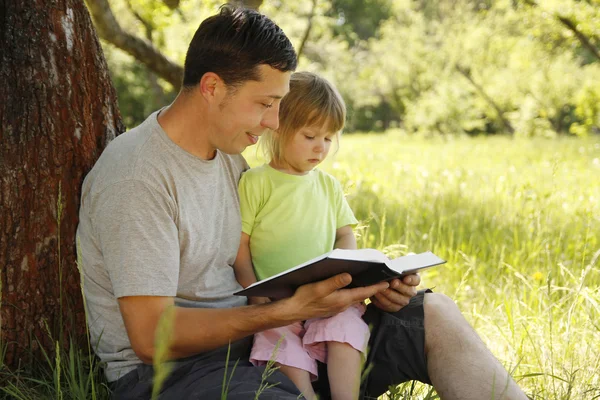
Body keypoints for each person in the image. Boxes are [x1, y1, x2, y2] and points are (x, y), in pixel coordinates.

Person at [76, 5, 529, 400]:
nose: (274, 123)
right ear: (212, 87)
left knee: (431, 314)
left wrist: (361, 285)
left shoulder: (227, 156)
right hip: (178, 375)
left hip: (275, 335)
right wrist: (283, 312)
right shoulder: (137, 176)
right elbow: (151, 336)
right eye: (265, 103)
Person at [233, 71, 368, 400]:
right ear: (279, 127)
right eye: (310, 136)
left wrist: (348, 271)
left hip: (326, 297)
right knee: (277, 343)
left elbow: (345, 235)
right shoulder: (257, 183)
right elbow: (241, 247)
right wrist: (254, 293)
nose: (321, 148)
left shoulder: (328, 186)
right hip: (278, 303)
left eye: (328, 138)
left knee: (346, 330)